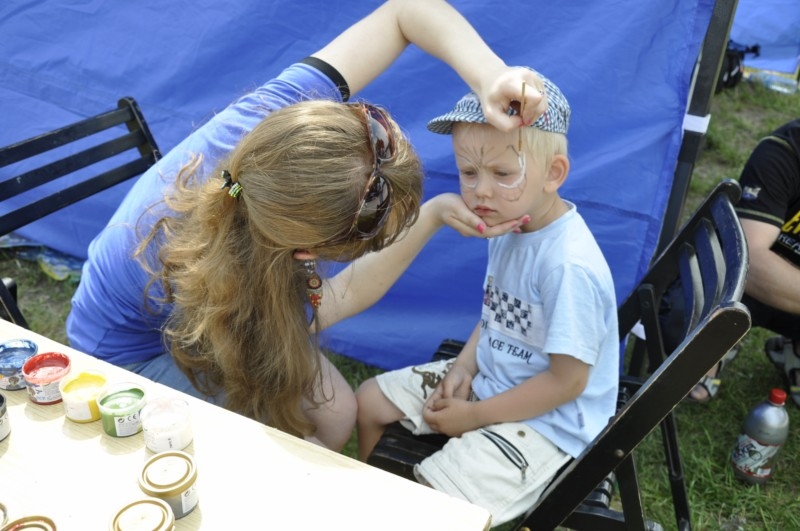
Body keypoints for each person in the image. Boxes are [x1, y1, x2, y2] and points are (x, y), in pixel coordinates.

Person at [65, 0, 547, 451]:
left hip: (190, 310)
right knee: (298, 451)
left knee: (337, 414)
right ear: (304, 253)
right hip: (125, 359)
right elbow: (334, 301)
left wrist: (490, 77)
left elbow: (406, 11)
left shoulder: (277, 119)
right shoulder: (225, 280)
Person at [355, 71, 619, 526]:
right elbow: (499, 312)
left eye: (502, 173)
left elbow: (568, 382)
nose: (480, 191)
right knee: (368, 401)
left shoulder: (567, 266)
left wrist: (474, 416)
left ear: (553, 174)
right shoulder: (510, 222)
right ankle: (372, 506)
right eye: (468, 172)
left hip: (547, 422)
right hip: (494, 379)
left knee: (433, 499)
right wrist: (463, 367)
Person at [689, 118, 800, 405]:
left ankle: (794, 351)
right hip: (745, 285)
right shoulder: (784, 152)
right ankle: (718, 342)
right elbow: (749, 261)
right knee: (678, 319)